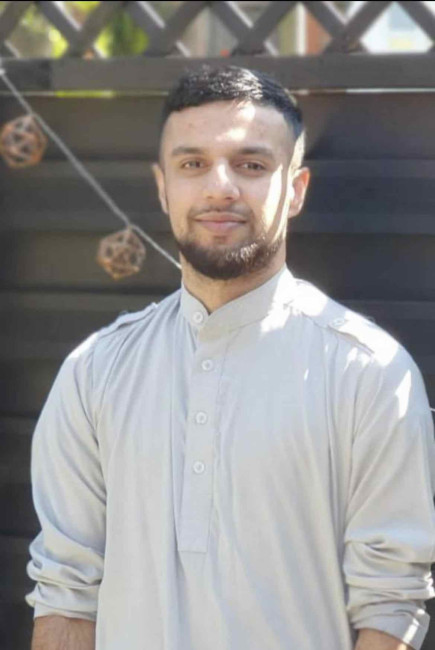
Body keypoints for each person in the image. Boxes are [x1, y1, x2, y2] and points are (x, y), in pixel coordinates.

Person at [27, 66, 435, 650]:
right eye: (193, 164)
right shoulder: (95, 371)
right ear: (163, 187)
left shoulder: (371, 374)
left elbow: (390, 607)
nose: (220, 188)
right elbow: (65, 594)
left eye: (251, 165)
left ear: (295, 190)